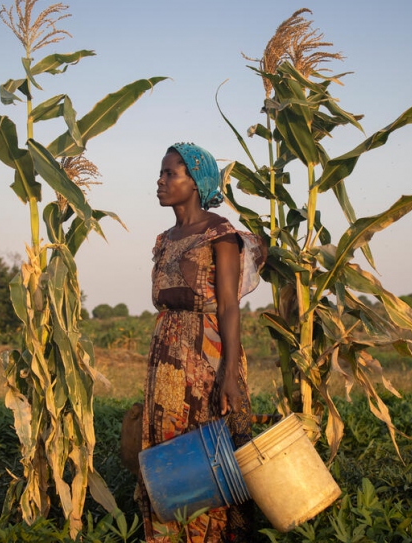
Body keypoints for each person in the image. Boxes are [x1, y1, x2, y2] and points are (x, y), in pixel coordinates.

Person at [136, 142, 265, 542]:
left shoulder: (220, 234)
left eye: (169, 174)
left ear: (195, 182)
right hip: (167, 355)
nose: (160, 181)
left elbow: (228, 307)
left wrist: (228, 373)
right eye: (160, 173)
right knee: (168, 450)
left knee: (212, 453)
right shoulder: (164, 238)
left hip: (207, 356)